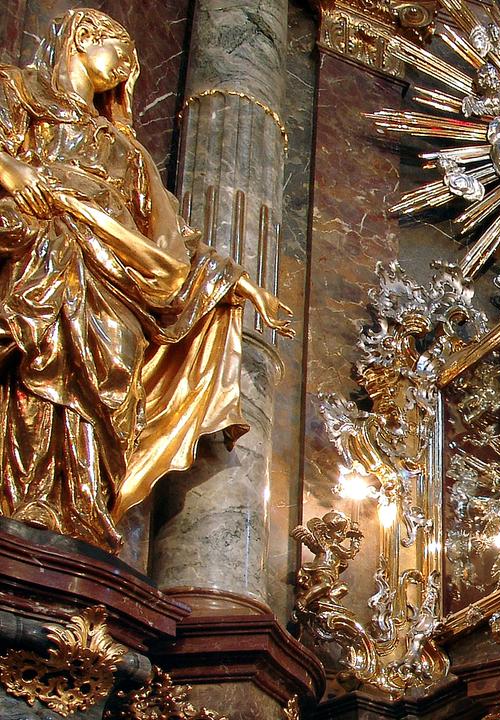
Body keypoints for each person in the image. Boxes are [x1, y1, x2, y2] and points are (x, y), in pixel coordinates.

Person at [0, 9, 292, 551]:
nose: (127, 73)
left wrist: (238, 282)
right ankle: (25, 494)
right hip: (44, 249)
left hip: (117, 269)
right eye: (123, 57)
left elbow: (172, 237)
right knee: (42, 343)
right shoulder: (17, 91)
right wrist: (12, 171)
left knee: (117, 350)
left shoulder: (126, 151)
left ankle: (80, 503)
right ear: (84, 38)